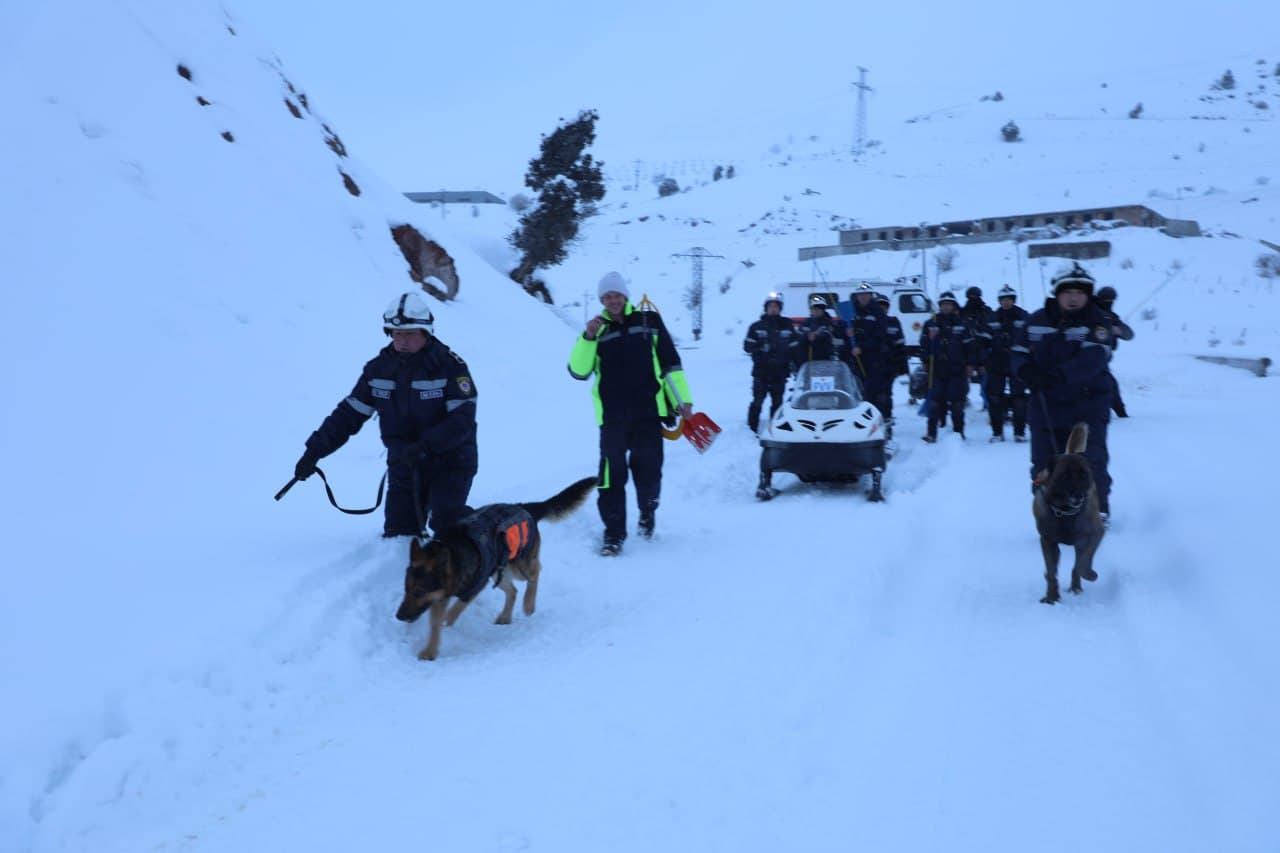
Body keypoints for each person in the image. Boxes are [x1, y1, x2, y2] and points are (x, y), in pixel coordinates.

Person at [292, 290, 478, 538]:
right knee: (399, 532)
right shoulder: (378, 370)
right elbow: (348, 415)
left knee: (447, 525)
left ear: (426, 332)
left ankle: (482, 548)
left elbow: (462, 422)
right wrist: (313, 452)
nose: (402, 341)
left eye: (410, 333)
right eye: (396, 333)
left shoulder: (451, 367)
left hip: (451, 461)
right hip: (403, 462)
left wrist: (425, 446)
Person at [569, 271, 694, 556]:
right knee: (611, 477)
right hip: (612, 418)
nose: (612, 300)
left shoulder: (649, 322)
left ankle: (647, 513)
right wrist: (587, 338)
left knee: (648, 471)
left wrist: (683, 401)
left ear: (625, 296)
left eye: (616, 294)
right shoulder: (596, 330)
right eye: (607, 296)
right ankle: (613, 534)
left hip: (648, 413)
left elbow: (671, 364)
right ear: (602, 300)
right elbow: (578, 371)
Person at [1011, 263, 1115, 517]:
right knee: (1044, 462)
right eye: (1068, 291)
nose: (1073, 297)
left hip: (1087, 406)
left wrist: (1056, 375)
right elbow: (1017, 352)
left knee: (1090, 461)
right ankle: (1049, 509)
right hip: (1045, 405)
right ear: (1057, 293)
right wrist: (1025, 371)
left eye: (1080, 292)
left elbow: (1094, 359)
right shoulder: (1035, 321)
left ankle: (1097, 510)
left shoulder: (1099, 323)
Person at [918, 291, 980, 442]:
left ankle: (959, 432)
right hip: (937, 370)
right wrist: (925, 360)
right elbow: (924, 345)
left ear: (953, 306)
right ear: (940, 306)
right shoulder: (931, 323)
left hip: (957, 370)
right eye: (943, 304)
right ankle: (931, 434)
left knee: (957, 404)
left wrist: (971, 364)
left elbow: (970, 346)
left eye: (949, 304)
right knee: (934, 403)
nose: (946, 307)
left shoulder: (962, 324)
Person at [742, 291, 798, 432]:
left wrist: (795, 364)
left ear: (780, 308)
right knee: (757, 401)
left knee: (777, 402)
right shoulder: (756, 326)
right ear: (766, 308)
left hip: (780, 371)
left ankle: (775, 427)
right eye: (770, 306)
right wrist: (760, 347)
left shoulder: (787, 325)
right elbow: (747, 347)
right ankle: (751, 427)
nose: (773, 309)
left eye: (776, 306)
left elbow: (795, 346)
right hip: (761, 371)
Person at [981, 285, 1030, 442]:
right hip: (997, 363)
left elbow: (1031, 341)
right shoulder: (992, 318)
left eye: (1009, 300)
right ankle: (997, 432)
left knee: (1019, 398)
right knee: (995, 397)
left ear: (1013, 300)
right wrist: (983, 361)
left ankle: (1019, 432)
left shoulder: (1023, 316)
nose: (1006, 303)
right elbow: (983, 341)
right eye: (1003, 300)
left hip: (1018, 363)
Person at [846, 282, 893, 434]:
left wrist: (862, 347)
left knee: (875, 395)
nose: (863, 297)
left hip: (875, 361)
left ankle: (880, 428)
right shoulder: (850, 311)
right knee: (857, 395)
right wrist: (847, 333)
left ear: (871, 295)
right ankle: (858, 427)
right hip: (855, 362)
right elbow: (841, 330)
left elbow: (880, 336)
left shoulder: (878, 312)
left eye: (866, 294)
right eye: (860, 294)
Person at [1095, 285, 1135, 418]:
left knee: (1110, 386)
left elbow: (1129, 335)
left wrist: (1118, 330)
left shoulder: (1111, 318)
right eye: (1106, 300)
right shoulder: (1090, 313)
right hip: (1087, 358)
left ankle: (1121, 412)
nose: (1109, 303)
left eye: (1111, 301)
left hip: (1102, 361)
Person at [875, 291, 909, 428]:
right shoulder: (869, 322)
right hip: (871, 365)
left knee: (885, 394)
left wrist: (903, 365)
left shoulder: (893, 322)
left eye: (884, 306)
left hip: (889, 365)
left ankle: (887, 417)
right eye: (879, 306)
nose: (882, 308)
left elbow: (901, 344)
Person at [960, 285, 994, 411]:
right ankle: (961, 401)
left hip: (984, 351)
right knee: (962, 380)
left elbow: (991, 331)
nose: (973, 299)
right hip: (966, 352)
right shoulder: (962, 312)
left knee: (986, 381)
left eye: (975, 297)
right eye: (970, 297)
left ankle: (988, 404)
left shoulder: (987, 311)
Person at [792, 293, 847, 366]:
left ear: (823, 310)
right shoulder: (806, 322)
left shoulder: (829, 322)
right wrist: (806, 335)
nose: (815, 311)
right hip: (806, 361)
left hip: (824, 359)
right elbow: (799, 334)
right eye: (813, 309)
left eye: (818, 309)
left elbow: (827, 333)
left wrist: (816, 336)